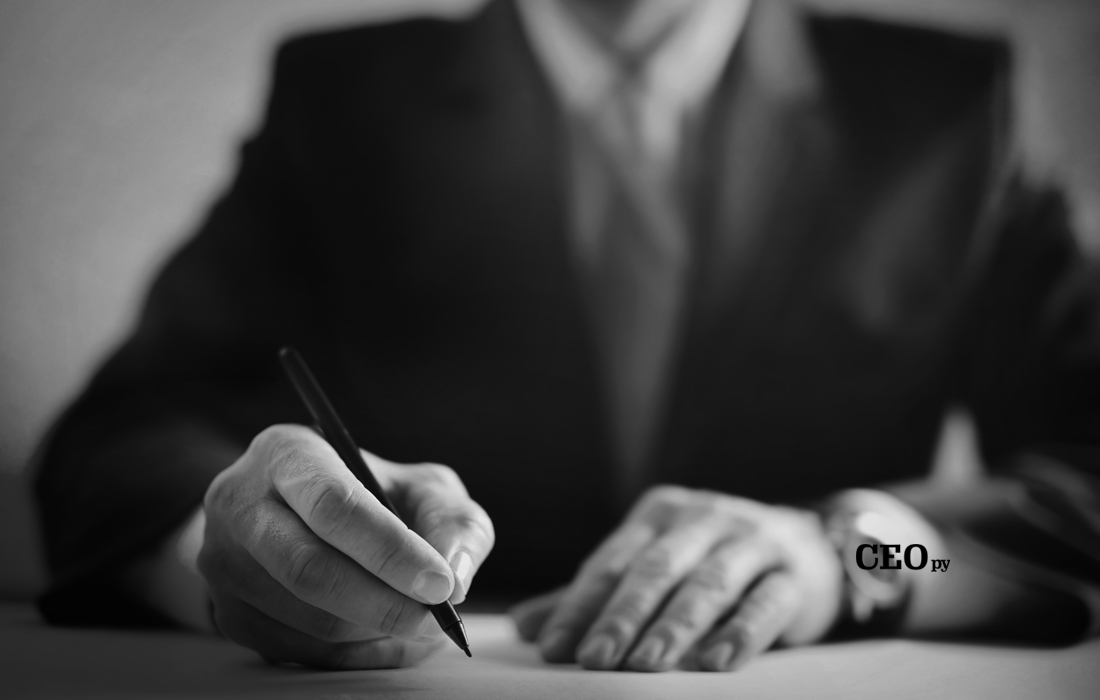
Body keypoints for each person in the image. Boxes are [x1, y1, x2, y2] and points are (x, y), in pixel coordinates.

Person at [35, 0, 1100, 673]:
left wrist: (853, 553)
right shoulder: (340, 102)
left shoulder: (946, 110)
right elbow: (116, 439)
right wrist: (246, 560)